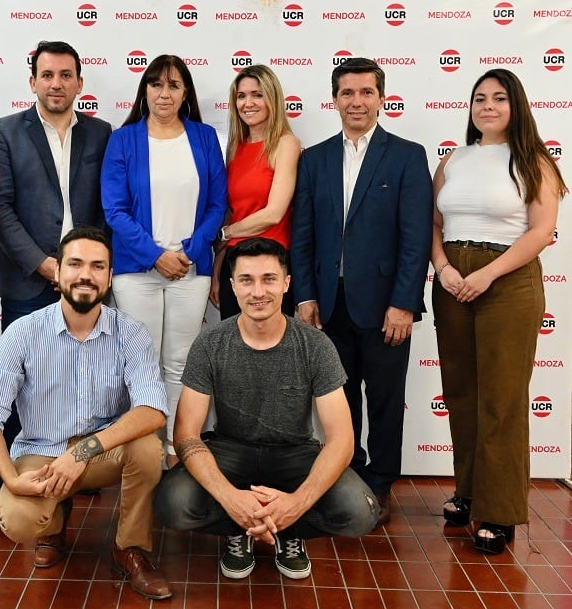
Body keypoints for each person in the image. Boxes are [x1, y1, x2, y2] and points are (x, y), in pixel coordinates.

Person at [154, 238, 379, 581]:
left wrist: (296, 504)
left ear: (287, 283)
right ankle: (240, 525)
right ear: (232, 285)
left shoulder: (315, 345)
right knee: (172, 503)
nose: (258, 291)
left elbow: (342, 440)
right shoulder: (211, 343)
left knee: (360, 511)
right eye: (246, 280)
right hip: (230, 450)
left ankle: (288, 529)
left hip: (295, 454)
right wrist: (230, 499)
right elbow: (186, 435)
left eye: (269, 279)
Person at [0, 226, 172, 600]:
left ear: (110, 277)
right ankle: (53, 525)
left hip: (101, 452)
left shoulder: (130, 333)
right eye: (76, 264)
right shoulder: (22, 333)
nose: (86, 275)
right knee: (17, 521)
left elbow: (153, 410)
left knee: (147, 447)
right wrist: (11, 480)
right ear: (58, 272)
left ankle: (130, 548)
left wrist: (81, 453)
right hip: (42, 453)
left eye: (98, 266)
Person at [290, 58, 433, 527]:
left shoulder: (408, 155)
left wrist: (405, 303)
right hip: (329, 305)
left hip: (386, 306)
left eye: (366, 92)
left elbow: (415, 239)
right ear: (334, 100)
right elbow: (304, 234)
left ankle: (381, 483)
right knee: (340, 398)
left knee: (387, 400)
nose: (357, 101)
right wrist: (305, 295)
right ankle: (347, 474)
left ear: (381, 97)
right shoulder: (314, 158)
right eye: (347, 93)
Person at [431, 69, 565, 554]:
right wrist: (442, 266)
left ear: (517, 105)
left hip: (506, 281)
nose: (487, 106)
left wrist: (487, 274)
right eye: (479, 98)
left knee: (502, 399)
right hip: (452, 282)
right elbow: (434, 221)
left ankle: (499, 511)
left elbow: (540, 231)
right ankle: (468, 492)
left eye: (499, 98)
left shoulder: (535, 162)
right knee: (462, 393)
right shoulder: (454, 159)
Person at [0, 40, 112, 494]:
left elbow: (105, 207)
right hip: (27, 278)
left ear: (79, 81)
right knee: (20, 386)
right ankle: (12, 487)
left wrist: (87, 267)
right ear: (32, 81)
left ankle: (79, 475)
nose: (56, 83)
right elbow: (1, 211)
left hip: (86, 282)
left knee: (86, 382)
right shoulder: (3, 132)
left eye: (65, 75)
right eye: (47, 75)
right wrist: (45, 265)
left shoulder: (102, 133)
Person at [101, 54, 227, 468]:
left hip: (191, 270)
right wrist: (156, 256)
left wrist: (188, 253)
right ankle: (146, 454)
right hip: (137, 272)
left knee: (181, 363)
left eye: (173, 85)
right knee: (144, 363)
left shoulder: (205, 137)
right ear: (145, 91)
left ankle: (176, 452)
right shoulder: (124, 140)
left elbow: (216, 204)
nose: (164, 93)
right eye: (156, 84)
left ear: (185, 92)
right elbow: (114, 210)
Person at [209, 64, 301, 319]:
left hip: (271, 263)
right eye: (241, 96)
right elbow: (232, 211)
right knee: (234, 348)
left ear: (272, 98)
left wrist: (225, 233)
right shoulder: (234, 148)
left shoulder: (285, 144)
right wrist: (218, 268)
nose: (248, 103)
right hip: (235, 264)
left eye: (257, 95)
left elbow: (273, 213)